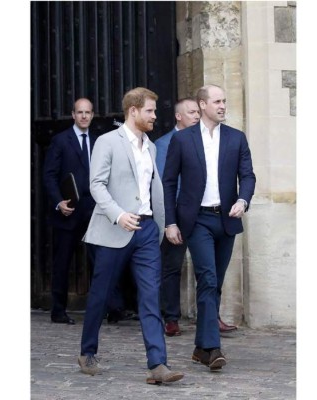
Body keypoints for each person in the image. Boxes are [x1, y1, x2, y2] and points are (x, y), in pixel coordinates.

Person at [78, 87, 184, 384]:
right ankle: (87, 351)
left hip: (147, 230)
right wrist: (119, 214)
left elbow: (152, 189)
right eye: (150, 110)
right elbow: (96, 184)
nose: (154, 116)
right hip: (115, 228)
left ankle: (158, 364)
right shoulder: (107, 141)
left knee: (151, 295)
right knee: (101, 294)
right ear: (133, 111)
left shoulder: (150, 147)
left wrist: (163, 223)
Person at [163, 84, 256, 371]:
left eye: (225, 101)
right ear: (202, 105)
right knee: (208, 279)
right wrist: (170, 221)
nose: (223, 106)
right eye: (217, 101)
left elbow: (248, 176)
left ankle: (201, 348)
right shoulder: (184, 140)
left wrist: (243, 200)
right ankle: (213, 348)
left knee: (214, 285)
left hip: (227, 219)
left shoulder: (236, 138)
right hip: (197, 220)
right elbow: (168, 183)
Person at [43, 98, 97, 325]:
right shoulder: (60, 141)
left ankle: (112, 308)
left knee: (102, 259)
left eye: (88, 112)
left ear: (92, 115)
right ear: (73, 115)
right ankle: (58, 310)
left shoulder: (99, 141)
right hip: (69, 210)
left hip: (94, 210)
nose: (84, 116)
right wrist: (58, 202)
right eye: (80, 112)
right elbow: (49, 175)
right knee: (63, 261)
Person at [155, 97, 200, 336]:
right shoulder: (163, 144)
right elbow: (164, 184)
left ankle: (211, 317)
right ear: (178, 116)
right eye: (191, 112)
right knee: (172, 268)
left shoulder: (206, 141)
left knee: (207, 268)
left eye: (197, 112)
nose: (196, 116)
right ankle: (171, 318)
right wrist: (169, 221)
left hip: (203, 214)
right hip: (177, 215)